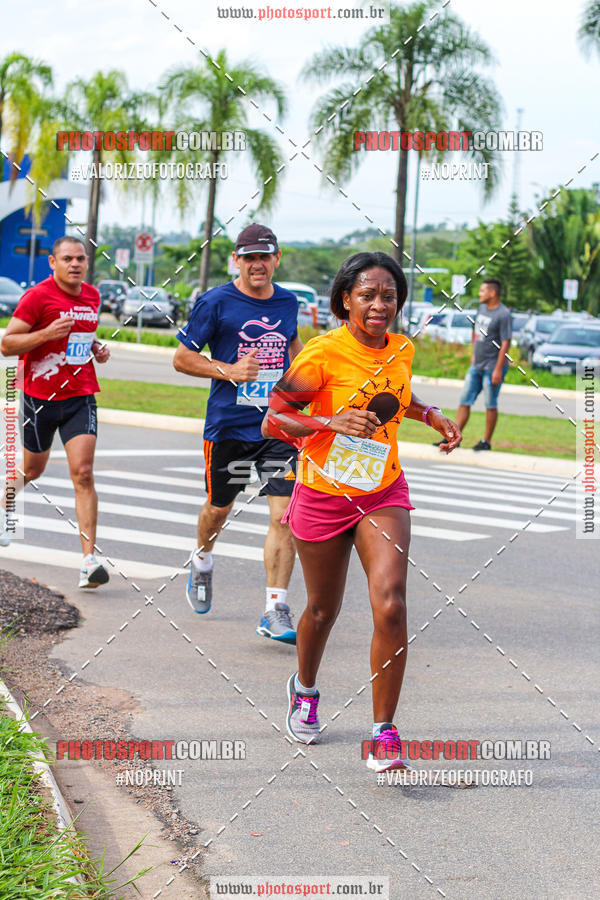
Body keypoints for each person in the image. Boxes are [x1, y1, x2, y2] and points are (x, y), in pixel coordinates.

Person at [262, 251, 461, 771]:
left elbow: (396, 395)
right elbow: (275, 420)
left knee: (391, 603)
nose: (379, 305)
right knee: (322, 610)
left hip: (383, 491)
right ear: (346, 299)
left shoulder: (402, 349)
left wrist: (430, 414)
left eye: (389, 296)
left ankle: (384, 732)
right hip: (325, 494)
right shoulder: (323, 354)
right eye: (368, 295)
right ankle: (304, 688)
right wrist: (330, 424)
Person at [173, 223, 303, 643]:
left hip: (278, 427)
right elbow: (181, 358)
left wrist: (308, 387)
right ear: (237, 261)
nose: (257, 264)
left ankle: (275, 608)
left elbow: (293, 347)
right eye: (249, 257)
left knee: (285, 516)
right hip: (229, 425)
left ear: (276, 259)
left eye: (264, 256)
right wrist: (227, 370)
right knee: (219, 508)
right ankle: (204, 559)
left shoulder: (288, 301)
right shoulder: (215, 302)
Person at [0, 236, 111, 588]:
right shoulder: (37, 297)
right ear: (53, 262)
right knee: (32, 470)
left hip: (80, 394)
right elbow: (6, 344)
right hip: (39, 398)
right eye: (67, 259)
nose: (75, 264)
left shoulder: (92, 296)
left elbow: (83, 336)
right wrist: (45, 333)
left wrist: (96, 348)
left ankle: (88, 561)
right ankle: (5, 506)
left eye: (81, 258)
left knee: (84, 473)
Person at [436, 278, 512, 451]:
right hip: (476, 365)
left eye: (482, 291)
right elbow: (474, 330)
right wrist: (473, 352)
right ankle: (454, 438)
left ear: (492, 293)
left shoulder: (503, 314)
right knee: (464, 400)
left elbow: (506, 342)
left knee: (490, 404)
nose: (479, 294)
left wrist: (498, 369)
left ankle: (486, 442)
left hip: (492, 367)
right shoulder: (482, 308)